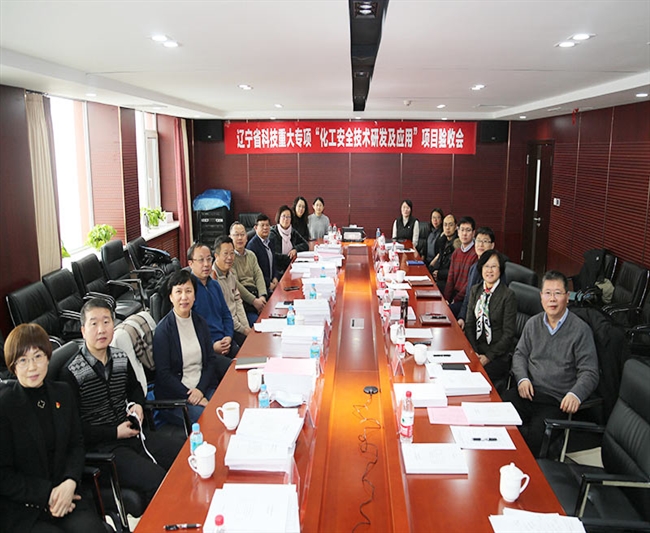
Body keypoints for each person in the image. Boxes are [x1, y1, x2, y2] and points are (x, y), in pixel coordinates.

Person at [60, 298, 184, 506]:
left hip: (133, 435)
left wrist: (137, 404)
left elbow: (135, 389)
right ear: (83, 331)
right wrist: (114, 432)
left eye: (106, 322)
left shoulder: (119, 356)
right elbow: (74, 430)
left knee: (184, 452)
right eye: (94, 323)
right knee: (158, 480)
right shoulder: (70, 373)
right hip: (104, 449)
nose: (101, 329)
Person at [0, 324, 106, 533]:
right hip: (24, 508)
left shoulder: (62, 393)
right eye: (23, 360)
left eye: (38, 356)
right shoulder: (5, 405)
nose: (32, 367)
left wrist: (70, 481)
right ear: (13, 366)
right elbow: (3, 475)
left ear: (48, 357)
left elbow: (76, 445)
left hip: (66, 493)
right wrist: (48, 493)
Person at [503, 271, 599, 456]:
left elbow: (590, 371)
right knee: (497, 416)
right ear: (541, 297)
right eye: (547, 293)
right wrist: (522, 379)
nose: (552, 299)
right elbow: (520, 354)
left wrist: (575, 394)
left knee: (533, 438)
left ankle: (525, 469)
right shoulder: (533, 323)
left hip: (556, 400)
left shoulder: (580, 330)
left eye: (558, 293)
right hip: (528, 392)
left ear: (567, 297)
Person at [153, 270, 220, 426]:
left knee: (226, 407)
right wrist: (190, 395)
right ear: (171, 297)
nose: (184, 297)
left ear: (195, 296)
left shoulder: (200, 323)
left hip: (203, 387)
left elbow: (210, 361)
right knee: (210, 419)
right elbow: (164, 374)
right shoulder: (163, 331)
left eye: (188, 291)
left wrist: (200, 390)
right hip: (177, 397)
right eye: (178, 292)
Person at [464, 250, 517, 386]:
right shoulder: (475, 290)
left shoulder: (508, 295)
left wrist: (488, 357)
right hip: (476, 349)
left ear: (500, 269)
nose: (489, 270)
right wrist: (474, 352)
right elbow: (469, 324)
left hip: (497, 355)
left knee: (475, 377)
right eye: (486, 266)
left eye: (494, 266)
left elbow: (508, 334)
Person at [188, 242, 239, 358]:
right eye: (201, 260)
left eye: (209, 259)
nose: (206, 264)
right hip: (205, 348)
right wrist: (212, 346)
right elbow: (191, 329)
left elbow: (226, 314)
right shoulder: (189, 291)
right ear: (190, 264)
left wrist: (228, 336)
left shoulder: (215, 285)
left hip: (225, 340)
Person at [211, 235, 252, 348]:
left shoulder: (231, 275)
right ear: (216, 256)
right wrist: (243, 330)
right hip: (226, 328)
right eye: (225, 254)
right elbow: (224, 313)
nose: (229, 257)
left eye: (232, 253)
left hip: (237, 325)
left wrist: (246, 327)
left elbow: (238, 302)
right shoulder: (213, 280)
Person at [230, 221, 268, 326]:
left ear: (246, 237)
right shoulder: (230, 258)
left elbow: (258, 276)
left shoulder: (251, 255)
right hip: (244, 302)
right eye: (236, 235)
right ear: (230, 237)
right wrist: (254, 301)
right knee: (259, 324)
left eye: (242, 234)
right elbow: (235, 284)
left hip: (258, 297)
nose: (240, 238)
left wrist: (262, 297)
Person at [457, 227, 496, 330]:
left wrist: (468, 325)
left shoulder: (494, 271)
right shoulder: (474, 267)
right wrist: (461, 318)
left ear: (492, 245)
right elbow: (468, 297)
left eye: (485, 241)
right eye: (478, 240)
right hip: (470, 318)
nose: (481, 245)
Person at [444, 216, 478, 317]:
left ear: (473, 233)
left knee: (446, 312)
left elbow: (469, 285)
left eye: (468, 230)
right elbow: (450, 279)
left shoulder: (476, 255)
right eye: (462, 230)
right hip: (454, 296)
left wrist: (454, 300)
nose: (464, 233)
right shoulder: (456, 252)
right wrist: (446, 299)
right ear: (458, 232)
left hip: (465, 300)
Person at [270, 204, 309, 277]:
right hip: (278, 271)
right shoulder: (273, 233)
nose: (286, 219)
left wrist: (295, 249)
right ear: (279, 218)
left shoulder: (292, 232)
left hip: (292, 267)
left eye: (288, 217)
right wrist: (290, 258)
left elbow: (305, 245)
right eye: (283, 216)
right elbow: (274, 256)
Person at [247, 213, 279, 294]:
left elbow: (274, 263)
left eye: (267, 225)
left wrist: (276, 277)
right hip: (262, 288)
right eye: (262, 225)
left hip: (273, 284)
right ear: (255, 228)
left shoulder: (270, 242)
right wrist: (268, 283)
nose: (265, 228)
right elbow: (254, 273)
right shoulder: (252, 246)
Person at [430, 214, 460, 293]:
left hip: (448, 282)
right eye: (445, 225)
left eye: (450, 225)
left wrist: (440, 274)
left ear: (456, 227)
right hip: (439, 277)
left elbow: (456, 270)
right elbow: (439, 259)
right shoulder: (442, 241)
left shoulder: (458, 245)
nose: (447, 228)